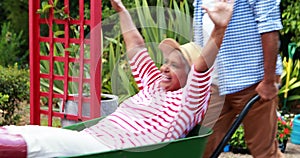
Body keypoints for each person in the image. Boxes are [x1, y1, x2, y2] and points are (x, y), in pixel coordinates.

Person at [0, 0, 233, 157]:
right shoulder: (153, 85)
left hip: (113, 149)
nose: (164, 68)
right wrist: (121, 10)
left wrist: (219, 30)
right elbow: (136, 46)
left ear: (189, 74)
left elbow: (202, 68)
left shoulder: (188, 102)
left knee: (36, 145)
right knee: (26, 132)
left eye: (174, 65)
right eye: (166, 61)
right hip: (92, 139)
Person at [193, 0, 284, 157]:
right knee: (201, 146)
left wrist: (269, 81)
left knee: (263, 151)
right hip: (214, 82)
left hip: (252, 81)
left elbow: (269, 27)